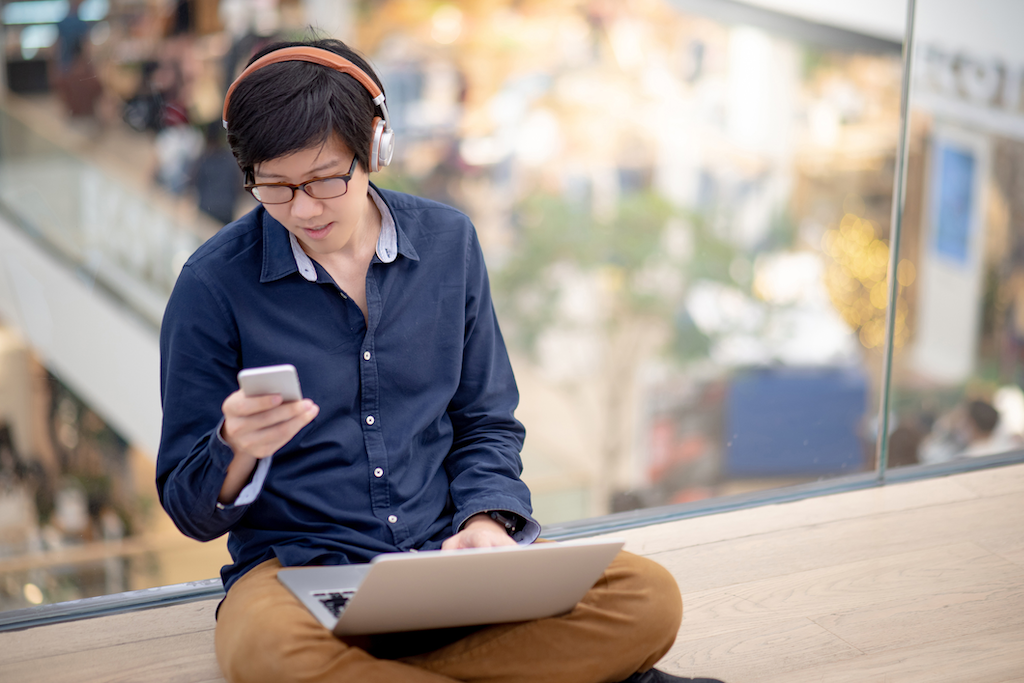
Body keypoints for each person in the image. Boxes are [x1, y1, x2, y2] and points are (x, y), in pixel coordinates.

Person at [156, 37, 723, 683]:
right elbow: (186, 502)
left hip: (446, 551)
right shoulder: (211, 284)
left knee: (645, 597)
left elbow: (486, 419)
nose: (304, 209)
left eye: (324, 179)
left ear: (375, 146)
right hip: (299, 573)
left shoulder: (449, 241)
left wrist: (485, 519)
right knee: (267, 652)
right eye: (275, 187)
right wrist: (236, 447)